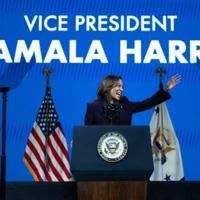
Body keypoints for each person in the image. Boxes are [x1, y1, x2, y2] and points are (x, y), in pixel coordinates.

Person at [84, 74, 181, 125]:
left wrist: (165, 89)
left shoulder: (125, 105)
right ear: (108, 87)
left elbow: (147, 103)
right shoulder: (93, 107)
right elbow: (87, 132)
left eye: (122, 87)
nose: (121, 89)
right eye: (118, 86)